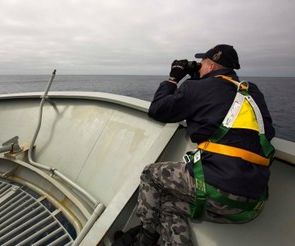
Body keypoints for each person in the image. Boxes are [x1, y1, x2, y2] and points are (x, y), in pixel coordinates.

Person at [113, 44, 275, 245]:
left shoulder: (196, 88)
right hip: (254, 201)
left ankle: (144, 238)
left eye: (202, 64)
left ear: (211, 66)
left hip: (217, 187)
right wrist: (198, 78)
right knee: (170, 205)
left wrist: (173, 79)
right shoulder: (251, 92)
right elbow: (268, 131)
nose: (199, 68)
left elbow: (158, 110)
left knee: (150, 174)